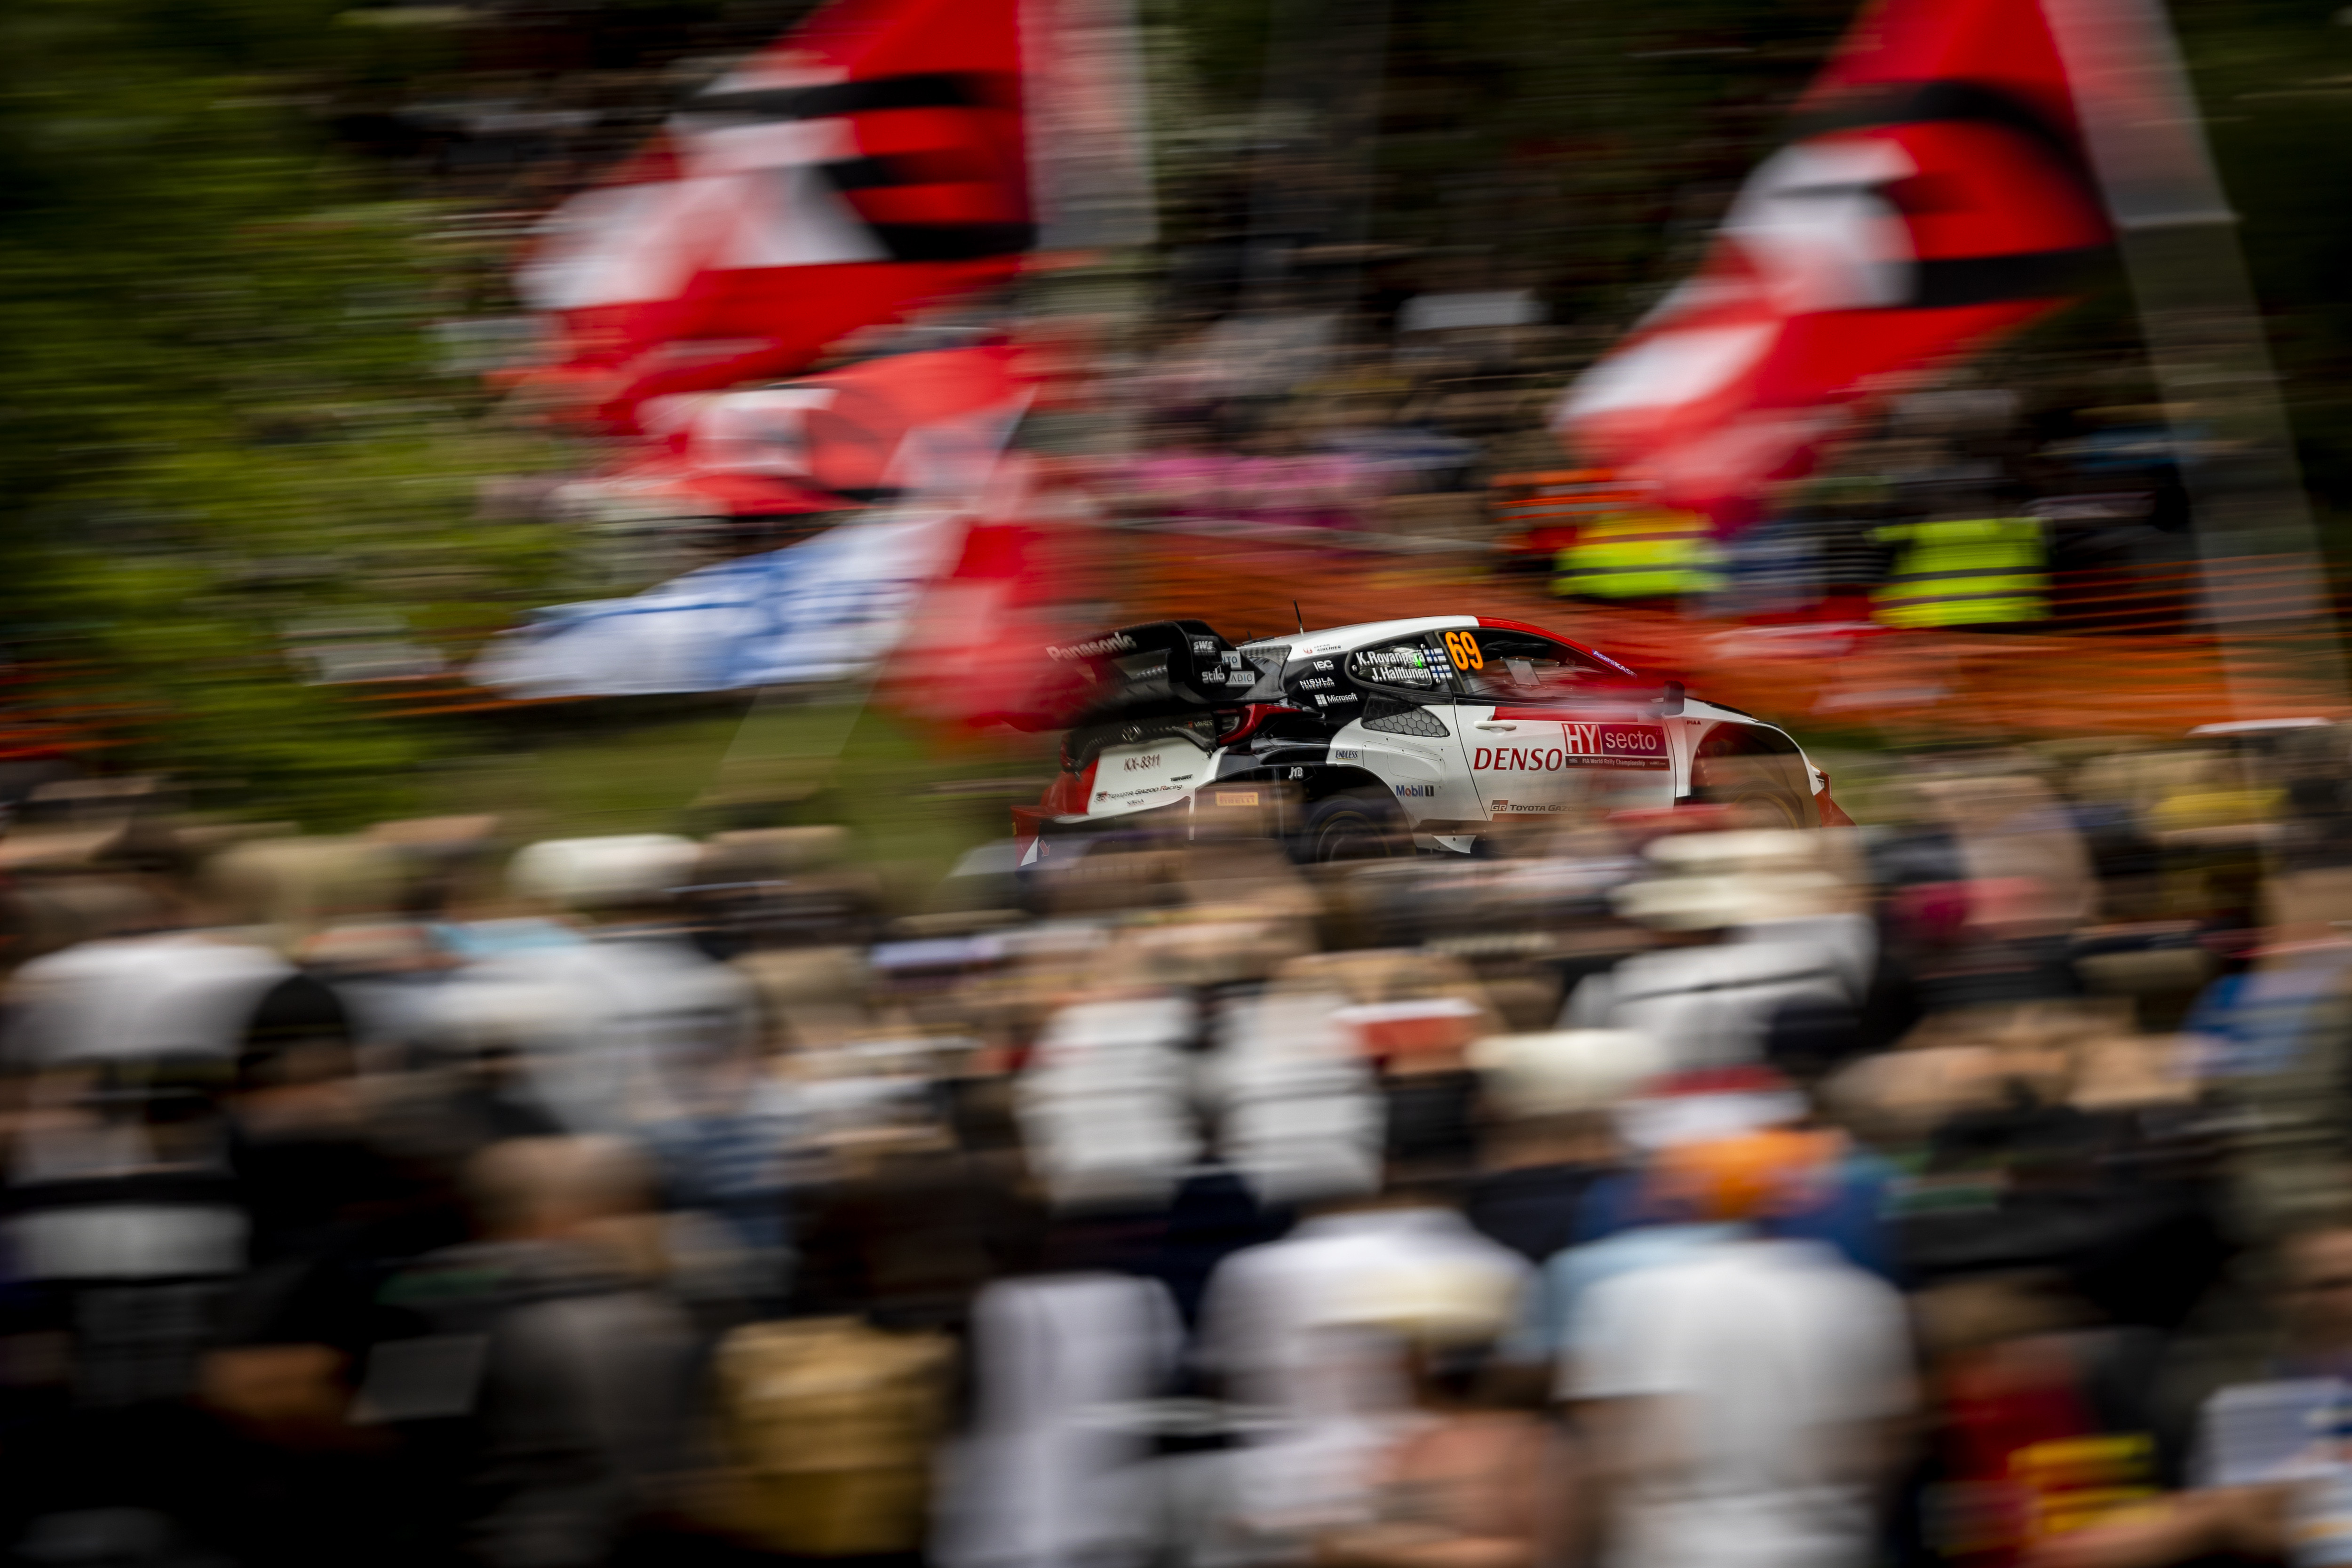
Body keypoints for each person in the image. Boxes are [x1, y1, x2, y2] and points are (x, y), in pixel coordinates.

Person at [1563, 1129, 1916, 1568]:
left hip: (1675, 1552)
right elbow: (1884, 1442)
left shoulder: (1628, 1299)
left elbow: (1621, 1455)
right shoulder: (1860, 1297)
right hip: (1825, 1548)